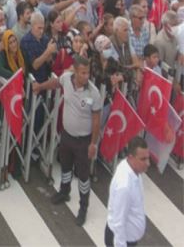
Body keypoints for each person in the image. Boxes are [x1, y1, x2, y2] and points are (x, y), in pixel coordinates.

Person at [34, 55, 102, 225]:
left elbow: (96, 120)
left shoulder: (93, 92)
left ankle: (83, 206)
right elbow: (55, 83)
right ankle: (64, 191)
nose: (86, 76)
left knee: (83, 176)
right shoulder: (66, 79)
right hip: (66, 135)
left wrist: (93, 143)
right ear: (75, 71)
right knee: (65, 167)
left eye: (88, 73)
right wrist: (40, 86)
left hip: (83, 141)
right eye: (83, 73)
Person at [105, 136, 150, 247]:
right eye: (143, 159)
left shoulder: (132, 169)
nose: (148, 163)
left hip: (128, 237)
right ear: (131, 157)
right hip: (122, 240)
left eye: (147, 158)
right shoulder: (124, 186)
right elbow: (119, 221)